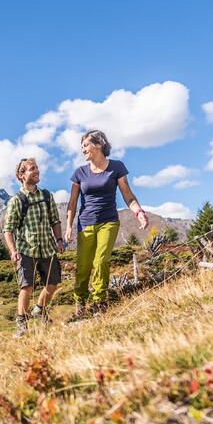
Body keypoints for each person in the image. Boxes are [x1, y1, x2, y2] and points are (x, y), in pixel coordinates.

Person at [65, 130, 148, 319]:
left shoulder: (116, 167)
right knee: (84, 265)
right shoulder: (79, 173)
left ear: (99, 144)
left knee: (101, 260)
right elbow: (72, 203)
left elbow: (128, 195)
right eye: (82, 146)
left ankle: (99, 302)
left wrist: (139, 212)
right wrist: (69, 226)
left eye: (86, 145)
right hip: (85, 224)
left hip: (108, 221)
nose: (83, 149)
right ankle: (80, 303)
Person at [3, 158, 65, 337]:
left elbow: (55, 220)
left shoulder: (47, 196)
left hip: (48, 248)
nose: (36, 171)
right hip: (26, 250)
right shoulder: (16, 201)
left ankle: (39, 309)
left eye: (37, 168)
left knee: (52, 284)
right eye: (32, 169)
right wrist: (14, 251)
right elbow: (8, 229)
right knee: (27, 287)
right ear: (21, 175)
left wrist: (59, 240)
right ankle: (22, 324)